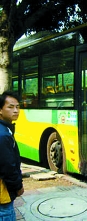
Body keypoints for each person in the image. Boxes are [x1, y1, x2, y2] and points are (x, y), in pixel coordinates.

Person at [0, 91, 24, 220]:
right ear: (0, 110)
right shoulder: (3, 135)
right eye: (10, 107)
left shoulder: (5, 129)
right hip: (3, 195)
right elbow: (8, 166)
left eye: (18, 107)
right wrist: (17, 186)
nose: (16, 111)